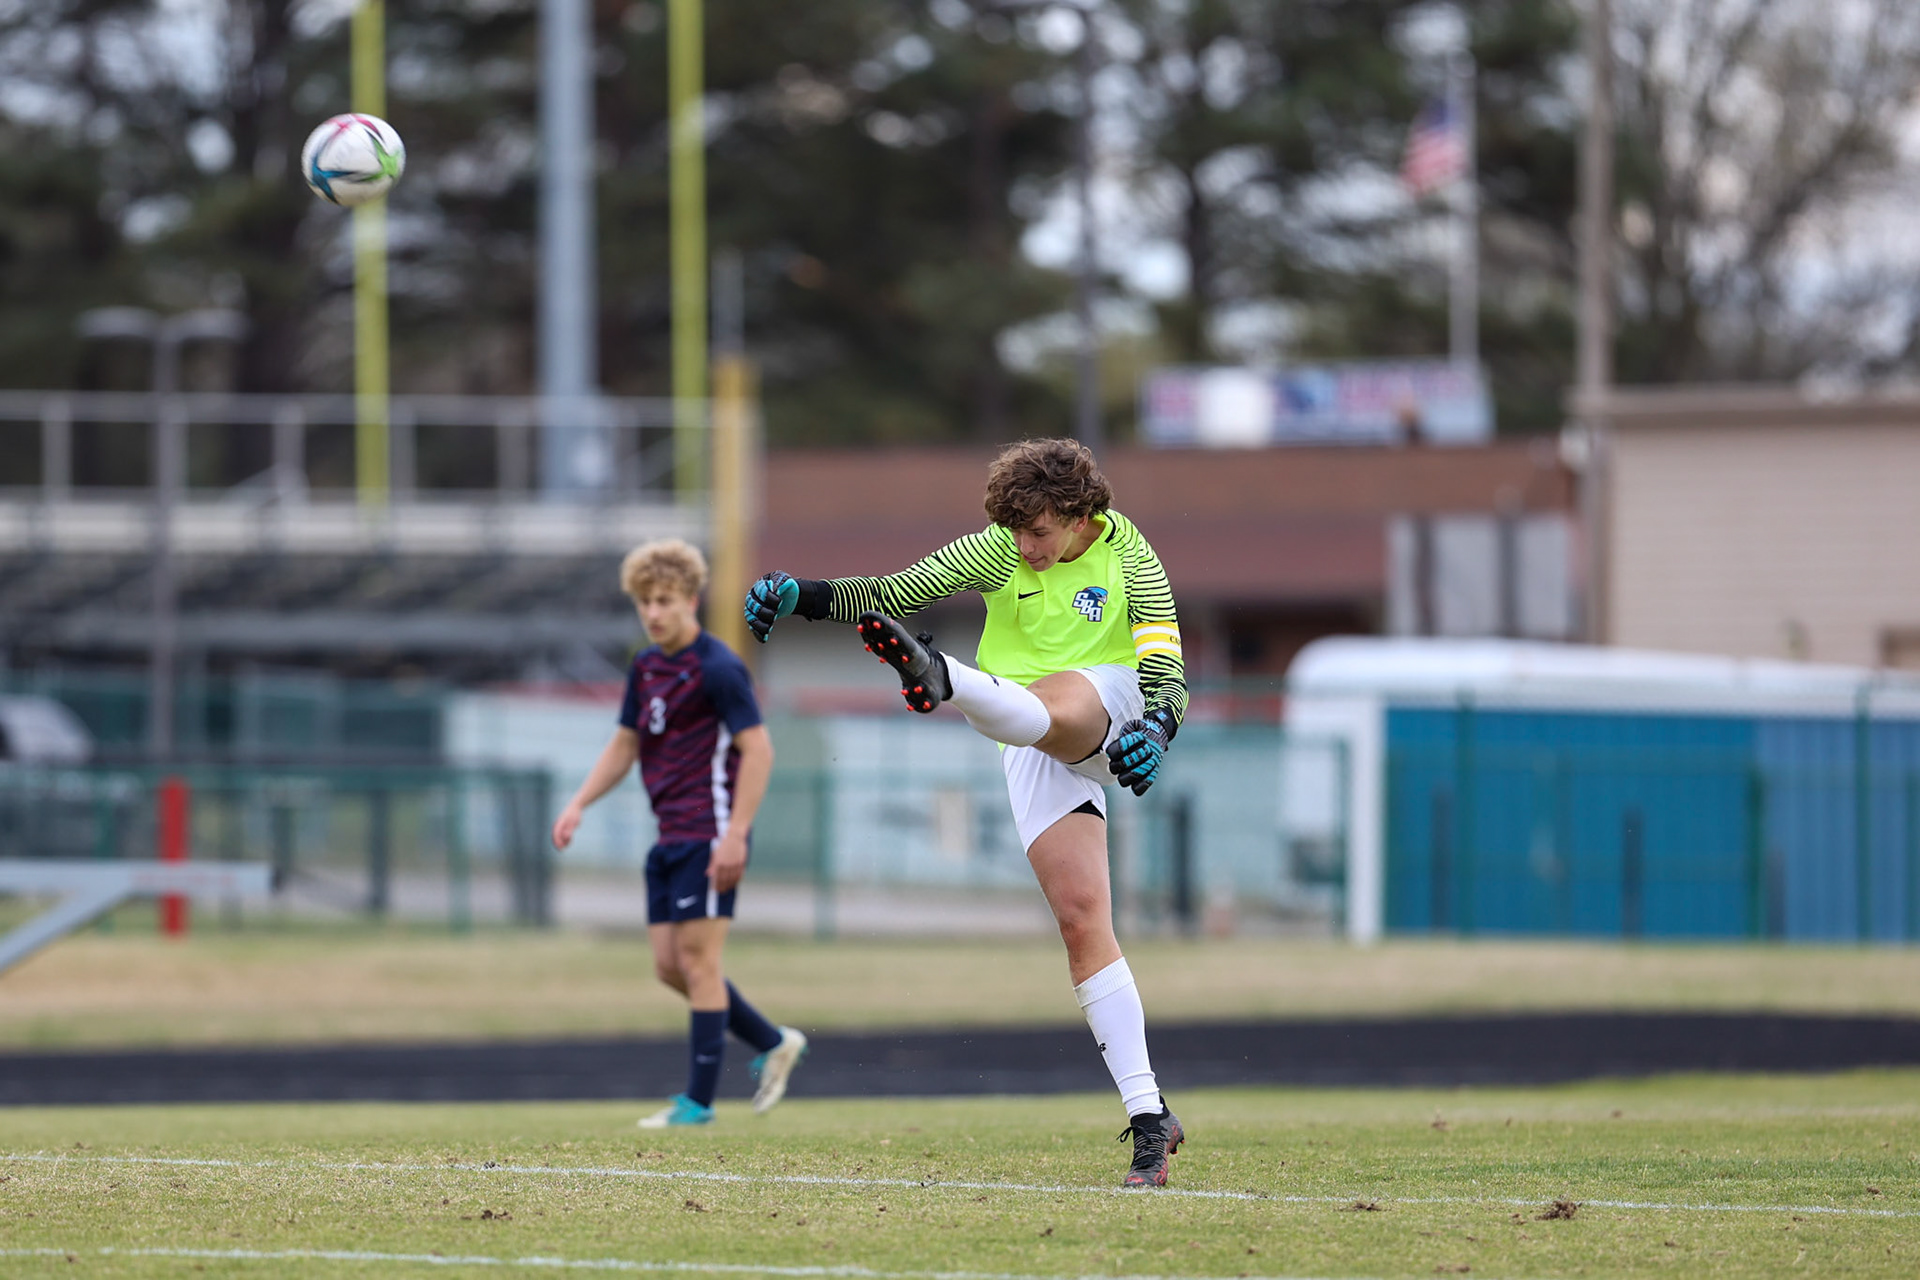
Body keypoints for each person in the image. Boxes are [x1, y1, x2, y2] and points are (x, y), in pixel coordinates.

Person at [743, 438, 1187, 1187]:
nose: (1025, 546)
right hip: (1026, 729)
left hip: (1112, 706)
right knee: (1082, 922)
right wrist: (804, 596)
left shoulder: (1131, 558)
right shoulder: (1001, 548)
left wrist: (1161, 725)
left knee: (1061, 699)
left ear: (1082, 515)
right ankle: (1151, 1118)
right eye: (1015, 532)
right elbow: (892, 591)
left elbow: (1164, 666)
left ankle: (942, 677)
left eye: (1039, 531)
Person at [553, 537, 807, 1128]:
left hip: (710, 831)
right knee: (670, 966)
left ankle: (698, 1102)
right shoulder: (645, 666)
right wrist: (579, 803)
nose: (653, 612)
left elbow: (759, 750)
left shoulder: (718, 668)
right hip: (668, 835)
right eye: (645, 601)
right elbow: (626, 744)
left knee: (697, 963)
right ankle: (772, 1041)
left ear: (691, 599)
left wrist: (736, 833)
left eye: (664, 599)